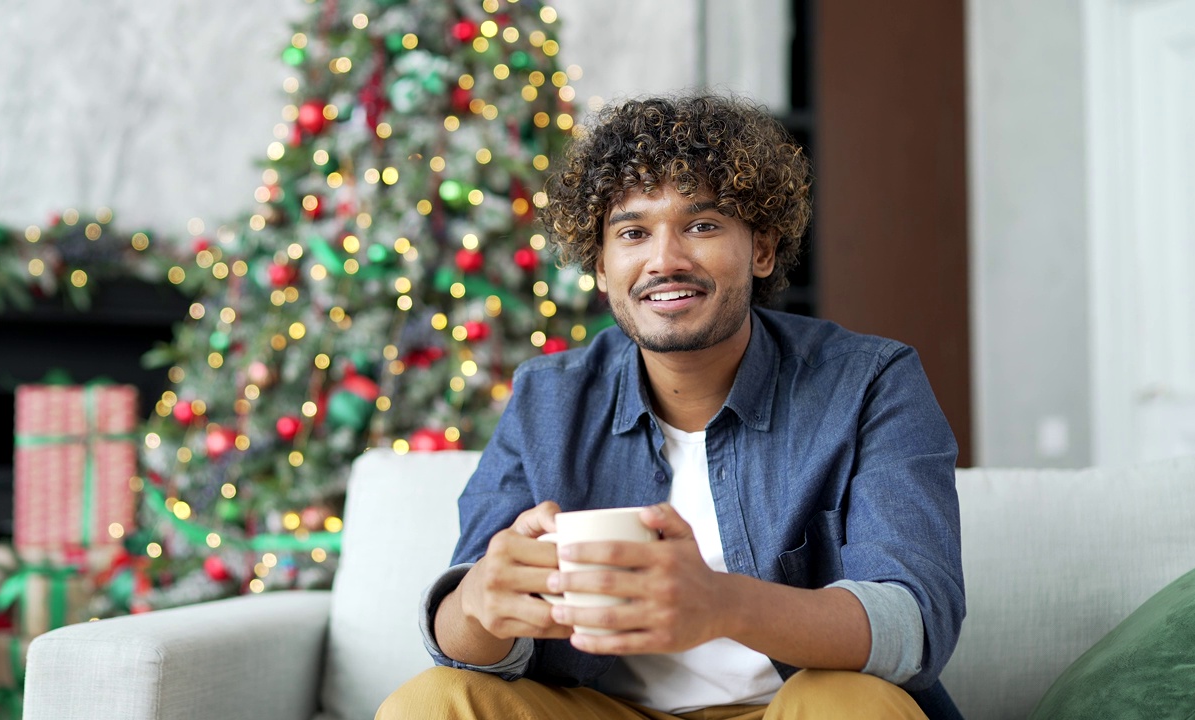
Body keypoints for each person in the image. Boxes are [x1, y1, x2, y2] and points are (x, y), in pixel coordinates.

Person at [377, 93, 965, 720]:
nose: (665, 261)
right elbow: (465, 641)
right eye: (633, 233)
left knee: (850, 704)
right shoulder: (550, 397)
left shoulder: (869, 382)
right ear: (601, 266)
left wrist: (720, 603)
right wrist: (477, 603)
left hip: (790, 710)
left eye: (702, 225)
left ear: (761, 249)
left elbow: (915, 624)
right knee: (433, 703)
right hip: (606, 710)